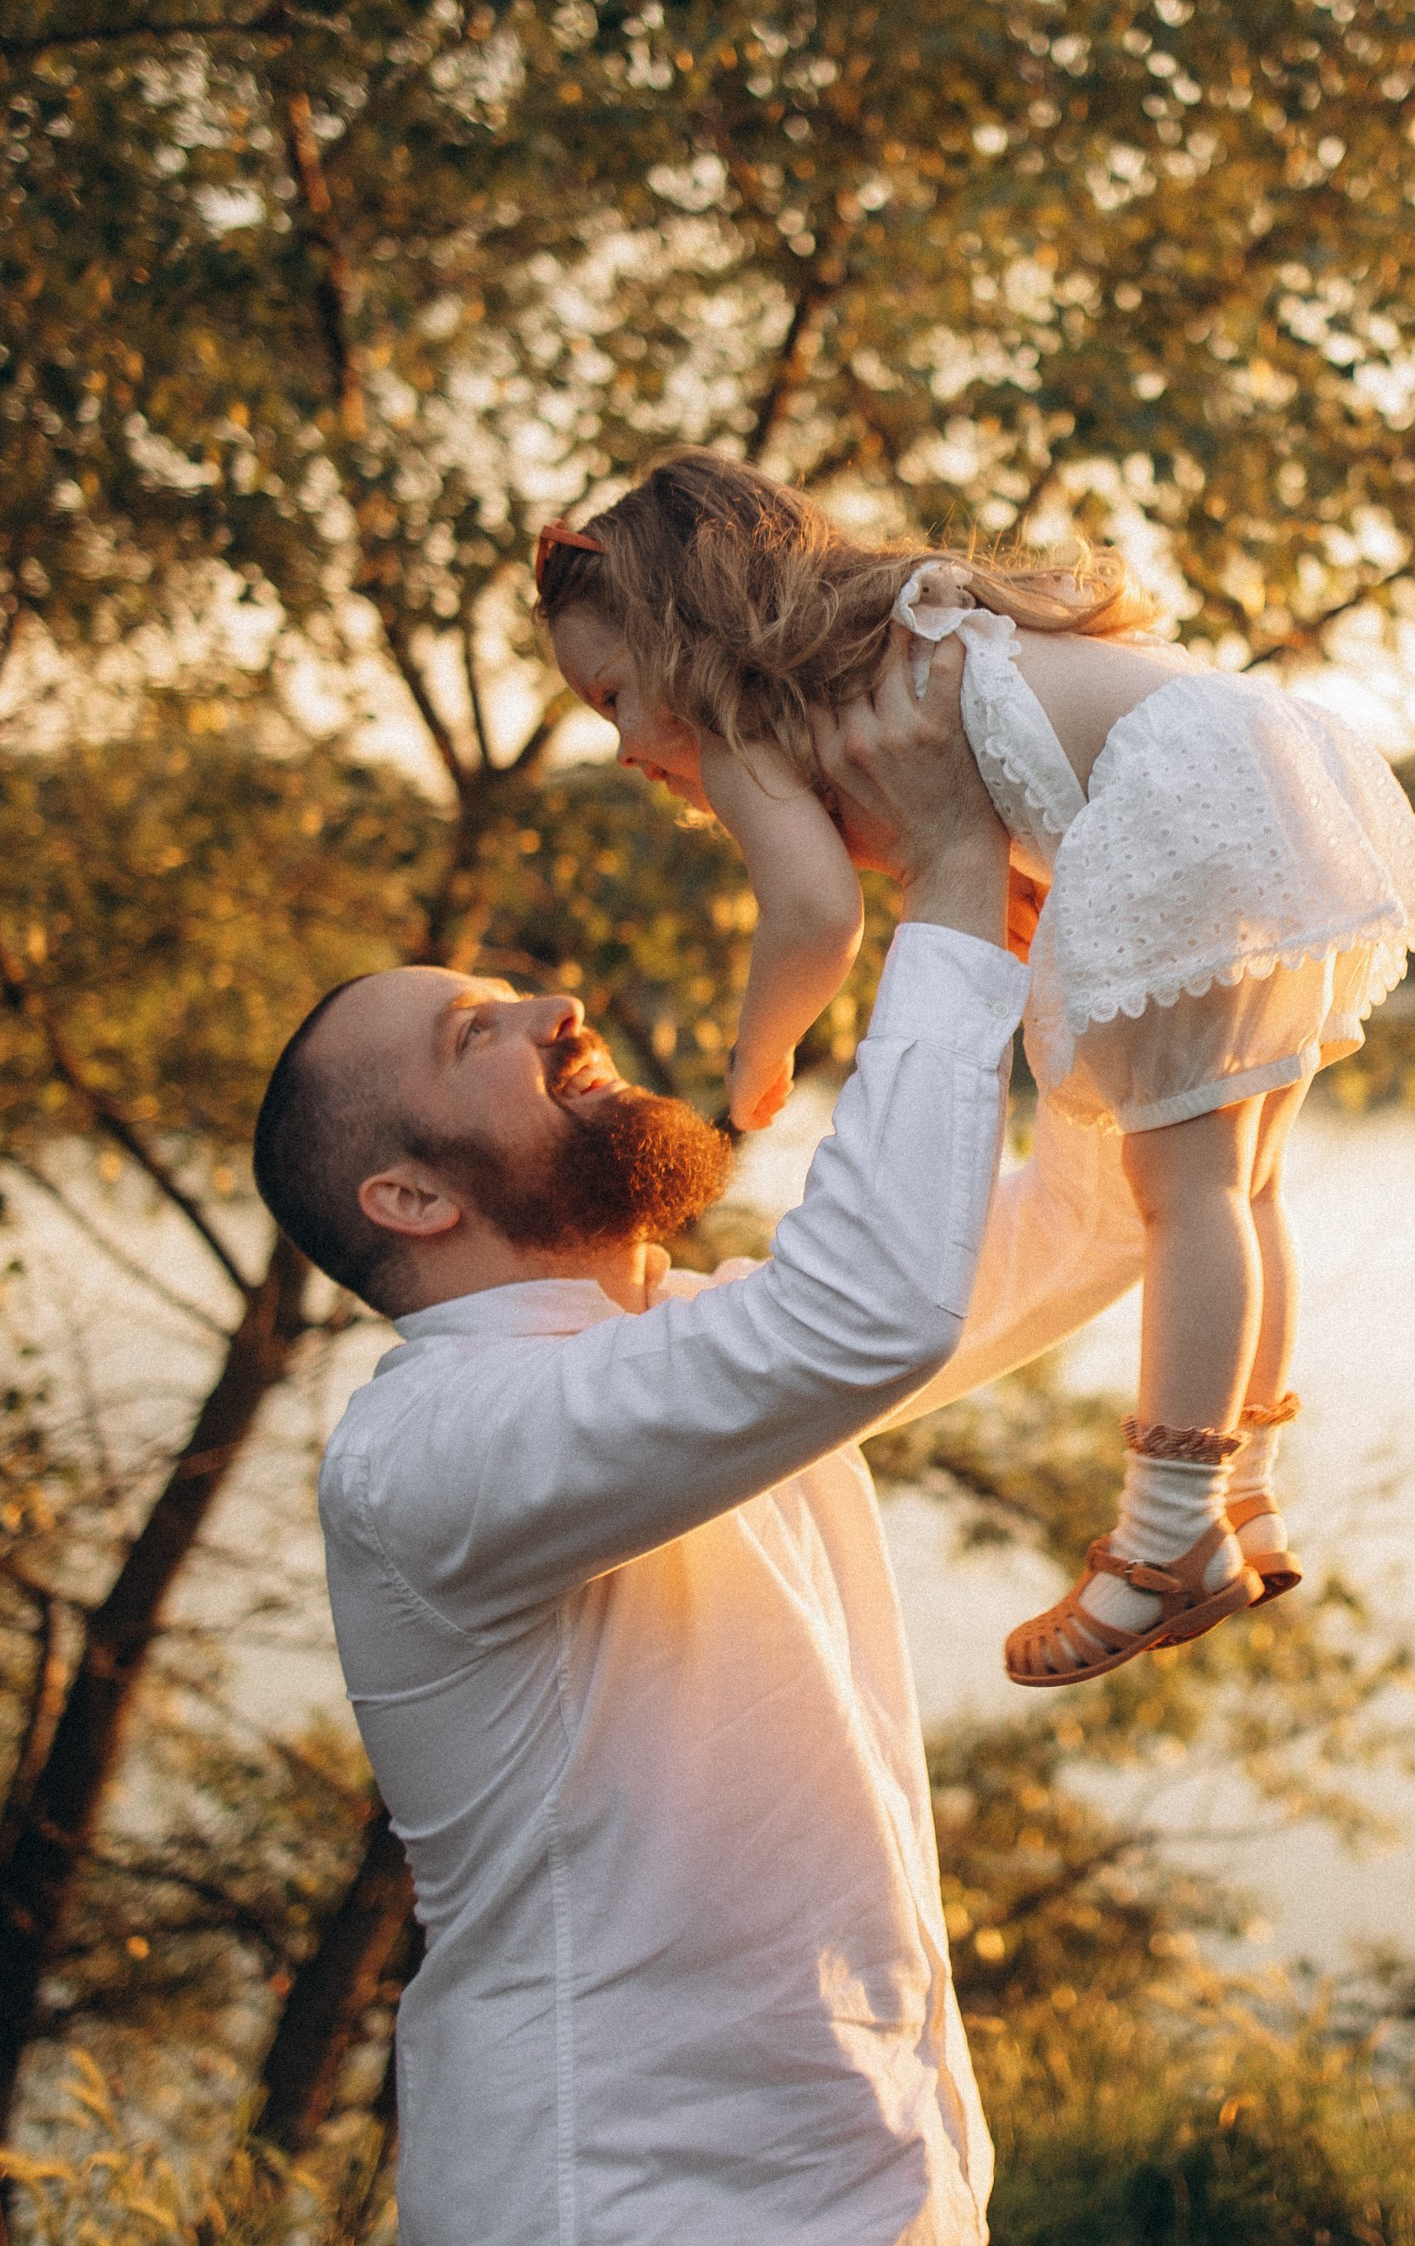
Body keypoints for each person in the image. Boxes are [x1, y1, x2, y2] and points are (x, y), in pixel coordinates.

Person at [251, 631, 1146, 2246]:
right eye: (479, 1038)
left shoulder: (686, 1350)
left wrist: (1106, 925)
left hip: (884, 2193)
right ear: (410, 1199)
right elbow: (865, 1311)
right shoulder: (428, 1457)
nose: (556, 1005)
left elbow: (1098, 1220)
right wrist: (942, 869)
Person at [535, 450, 1415, 1693]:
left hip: (1180, 804)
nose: (616, 745)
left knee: (1182, 1194)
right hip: (1259, 758)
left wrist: (755, 1059)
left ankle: (1163, 1535)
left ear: (680, 638)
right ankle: (1245, 1490)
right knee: (1241, 1186)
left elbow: (812, 917)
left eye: (609, 699)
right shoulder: (906, 630)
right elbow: (1030, 765)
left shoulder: (743, 715)